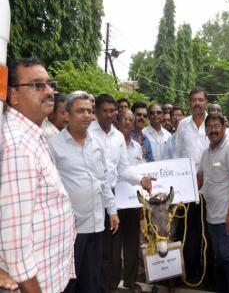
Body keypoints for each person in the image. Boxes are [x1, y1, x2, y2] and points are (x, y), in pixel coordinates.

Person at [1, 58, 76, 293]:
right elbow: (16, 244)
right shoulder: (17, 146)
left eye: (49, 84)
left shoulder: (33, 134)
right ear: (13, 95)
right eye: (37, 85)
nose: (49, 91)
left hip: (48, 277)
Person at [49, 91, 120, 293]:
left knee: (92, 279)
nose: (87, 116)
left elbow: (104, 180)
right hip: (71, 229)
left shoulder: (96, 144)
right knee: (69, 282)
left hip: (97, 224)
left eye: (89, 111)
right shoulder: (53, 145)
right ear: (67, 113)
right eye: (81, 111)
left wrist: (112, 211)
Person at [89, 94, 155, 292]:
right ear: (97, 112)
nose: (109, 115)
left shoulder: (117, 137)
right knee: (106, 247)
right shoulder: (89, 133)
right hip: (95, 197)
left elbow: (123, 169)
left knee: (124, 243)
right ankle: (109, 284)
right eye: (105, 111)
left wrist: (141, 180)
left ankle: (122, 283)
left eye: (112, 111)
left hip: (116, 197)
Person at [198, 112, 229, 293]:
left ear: (224, 127)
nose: (213, 130)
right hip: (212, 216)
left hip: (228, 216)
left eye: (217, 126)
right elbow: (200, 179)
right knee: (218, 257)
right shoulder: (206, 153)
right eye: (209, 127)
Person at [173, 87, 209, 281]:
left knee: (207, 230)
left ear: (206, 102)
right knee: (187, 230)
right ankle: (188, 268)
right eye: (194, 100)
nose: (197, 103)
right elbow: (177, 153)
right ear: (189, 103)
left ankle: (207, 269)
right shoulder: (183, 125)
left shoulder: (214, 123)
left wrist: (203, 174)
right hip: (187, 186)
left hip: (209, 186)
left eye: (201, 100)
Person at [111, 109, 144, 292]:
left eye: (131, 120)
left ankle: (130, 281)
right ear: (117, 121)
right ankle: (113, 283)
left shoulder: (138, 148)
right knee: (114, 248)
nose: (128, 122)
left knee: (132, 244)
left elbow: (139, 174)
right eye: (124, 119)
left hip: (132, 203)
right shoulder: (111, 143)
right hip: (114, 205)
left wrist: (141, 203)